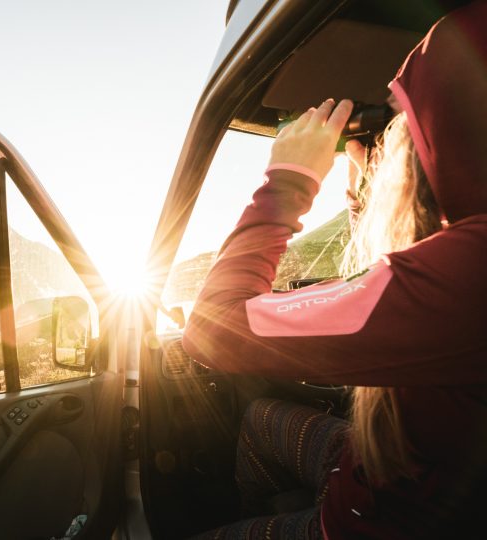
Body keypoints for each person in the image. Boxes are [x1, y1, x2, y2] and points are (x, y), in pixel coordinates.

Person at [182, 2, 487, 538]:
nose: (393, 143)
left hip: (378, 519)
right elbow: (400, 271)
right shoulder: (458, 261)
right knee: (259, 421)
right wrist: (362, 188)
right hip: (397, 472)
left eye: (403, 125)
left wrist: (288, 182)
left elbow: (211, 327)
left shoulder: (468, 275)